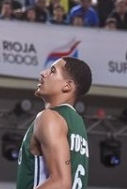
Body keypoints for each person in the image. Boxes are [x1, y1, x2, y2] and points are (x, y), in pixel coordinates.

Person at [16, 57, 92, 189]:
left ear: (67, 85)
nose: (43, 73)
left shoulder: (49, 117)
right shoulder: (77, 124)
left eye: (52, 71)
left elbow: (61, 183)